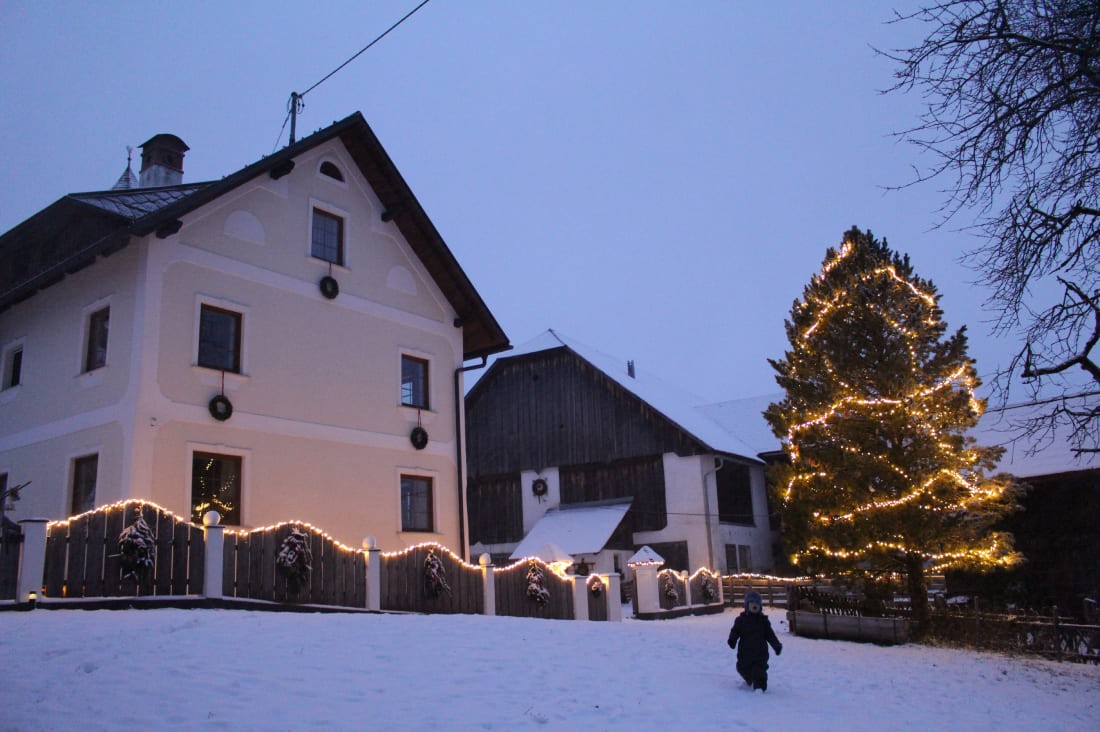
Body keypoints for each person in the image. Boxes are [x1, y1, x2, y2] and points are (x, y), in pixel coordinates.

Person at [727, 589, 782, 691]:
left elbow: (770, 635)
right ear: (747, 605)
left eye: (757, 603)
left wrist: (776, 645)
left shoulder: (763, 621)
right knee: (742, 668)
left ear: (760, 606)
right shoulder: (741, 620)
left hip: (760, 654)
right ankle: (749, 678)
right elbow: (735, 631)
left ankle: (760, 689)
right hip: (745, 653)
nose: (754, 605)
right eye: (752, 603)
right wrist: (732, 640)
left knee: (759, 671)